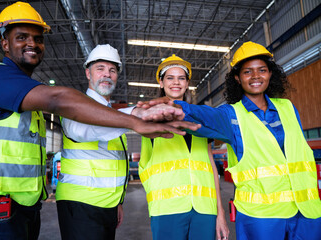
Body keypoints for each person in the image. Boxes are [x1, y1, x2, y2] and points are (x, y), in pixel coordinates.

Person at [0, 2, 200, 240]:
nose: (32, 43)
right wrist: (134, 118)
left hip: (25, 208)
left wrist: (117, 200)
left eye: (37, 38)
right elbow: (60, 101)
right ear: (4, 42)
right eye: (21, 37)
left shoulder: (29, 97)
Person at [142, 41, 321, 240]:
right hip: (262, 216)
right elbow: (204, 114)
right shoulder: (231, 115)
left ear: (270, 74)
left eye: (262, 70)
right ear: (237, 78)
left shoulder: (288, 107)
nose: (255, 76)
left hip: (307, 211)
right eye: (247, 72)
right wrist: (174, 106)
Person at [56, 44, 183, 240]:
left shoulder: (113, 113)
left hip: (109, 204)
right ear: (88, 73)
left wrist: (118, 201)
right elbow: (84, 130)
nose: (107, 74)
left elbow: (115, 161)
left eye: (112, 70)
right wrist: (134, 115)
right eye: (100, 69)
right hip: (81, 203)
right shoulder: (76, 104)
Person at [138, 54, 229, 240]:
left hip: (205, 208)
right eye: (170, 78)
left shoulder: (200, 118)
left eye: (181, 78)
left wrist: (220, 214)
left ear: (187, 84)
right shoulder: (148, 118)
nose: (176, 83)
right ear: (161, 83)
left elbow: (211, 167)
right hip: (167, 208)